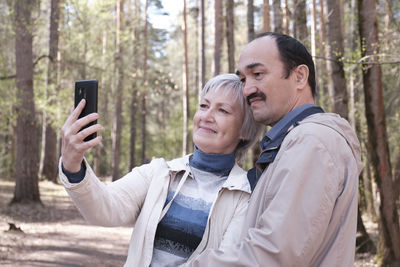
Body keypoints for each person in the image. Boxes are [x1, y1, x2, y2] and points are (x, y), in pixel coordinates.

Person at [186, 33, 363, 266]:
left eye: (258, 74)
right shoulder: (294, 142)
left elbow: (273, 254)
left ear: (299, 77)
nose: (247, 89)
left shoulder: (311, 142)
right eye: (243, 80)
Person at [59, 73, 263, 267]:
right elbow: (105, 209)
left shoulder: (246, 196)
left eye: (223, 110)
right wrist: (72, 164)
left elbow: (225, 263)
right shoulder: (160, 172)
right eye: (204, 105)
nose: (206, 116)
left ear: (245, 130)